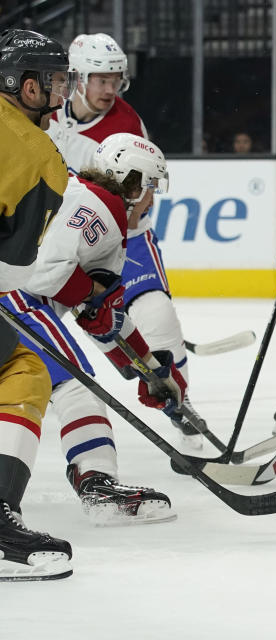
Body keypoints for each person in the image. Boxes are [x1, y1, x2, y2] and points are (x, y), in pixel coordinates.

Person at [1, 132, 183, 528]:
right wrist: (91, 293)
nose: (152, 199)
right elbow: (46, 274)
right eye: (150, 187)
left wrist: (149, 368)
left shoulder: (103, 212)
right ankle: (97, 482)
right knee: (75, 385)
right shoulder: (97, 205)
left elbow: (104, 316)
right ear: (131, 180)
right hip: (15, 301)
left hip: (18, 300)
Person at [45, 33, 203, 449]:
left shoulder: (126, 124)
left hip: (122, 238)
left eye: (116, 79)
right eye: (100, 79)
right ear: (77, 78)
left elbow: (142, 195)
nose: (110, 89)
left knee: (158, 315)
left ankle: (180, 405)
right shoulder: (46, 106)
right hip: (55, 242)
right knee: (37, 330)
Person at [0, 28, 75, 581]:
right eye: (52, 81)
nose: (59, 91)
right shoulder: (38, 154)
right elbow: (15, 265)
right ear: (26, 87)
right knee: (24, 369)